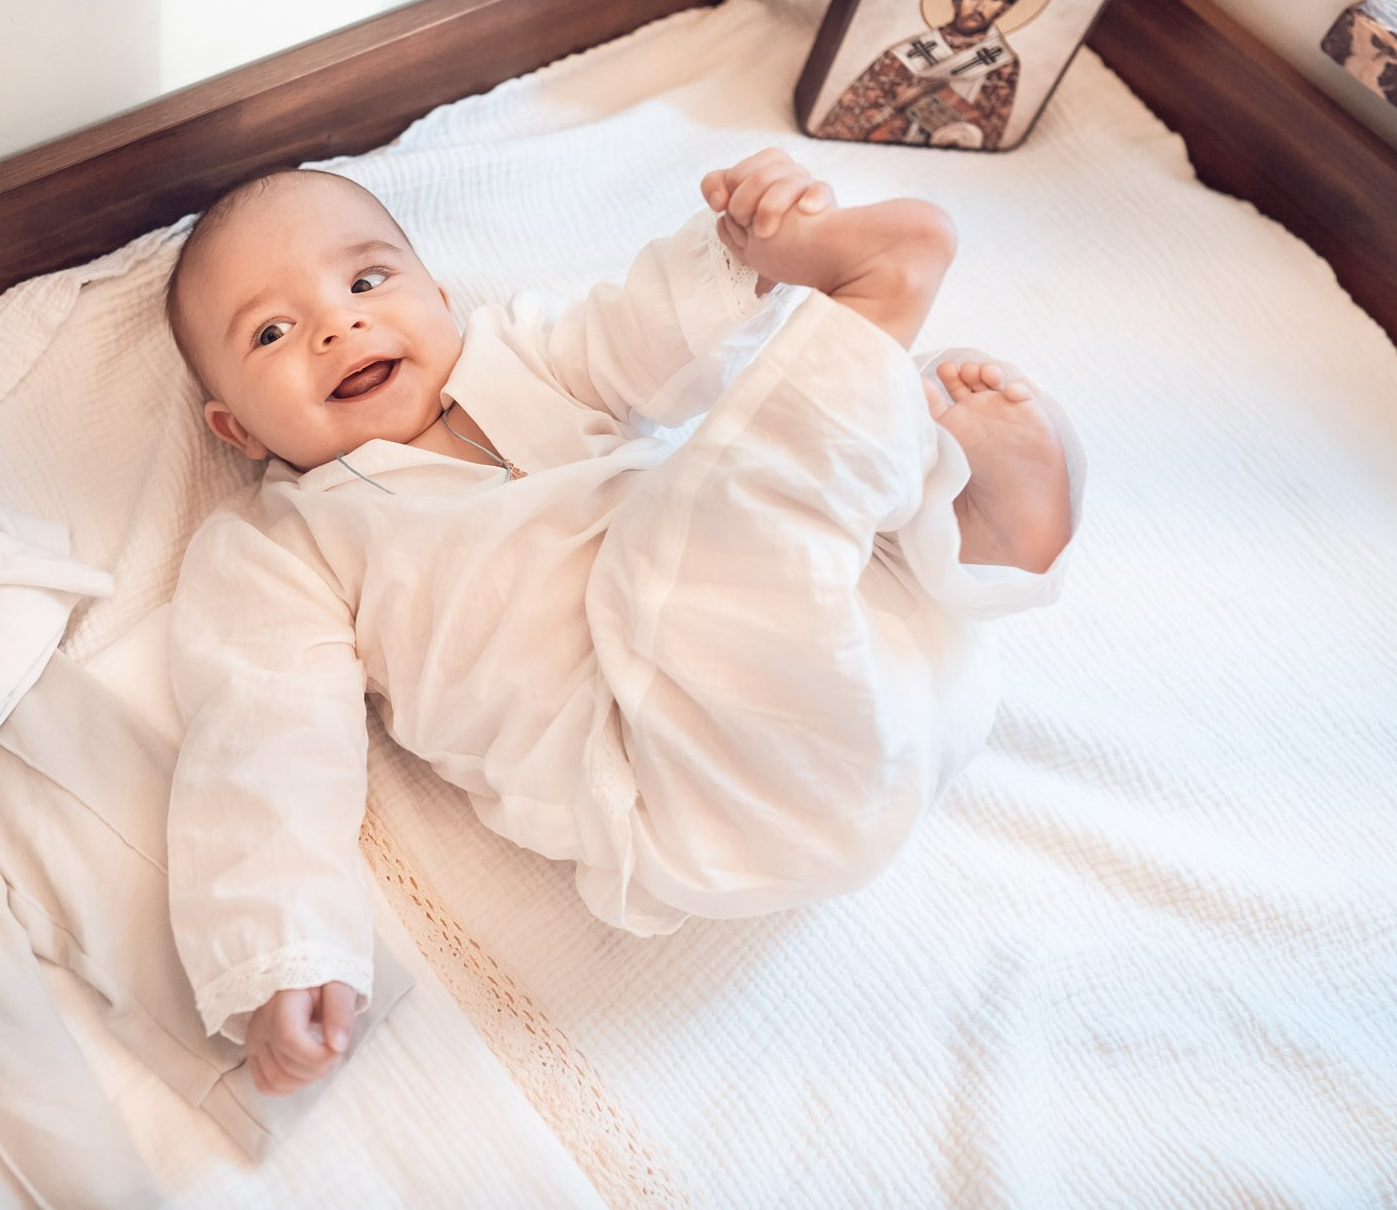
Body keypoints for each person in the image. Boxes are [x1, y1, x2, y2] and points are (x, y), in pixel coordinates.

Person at [161, 151, 1081, 1093]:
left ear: (439, 299)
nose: (337, 325)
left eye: (365, 281)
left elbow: (640, 333)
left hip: (892, 672)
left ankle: (976, 529)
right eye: (272, 331)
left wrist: (746, 254)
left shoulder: (521, 354)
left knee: (807, 484)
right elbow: (265, 742)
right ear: (237, 429)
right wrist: (285, 947)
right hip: (679, 768)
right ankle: (873, 330)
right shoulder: (286, 544)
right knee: (728, 517)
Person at [811, 0, 1026, 148]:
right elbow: (849, 116)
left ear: (1005, 8)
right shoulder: (907, 52)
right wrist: (897, 107)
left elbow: (990, 133)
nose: (981, 6)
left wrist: (929, 97)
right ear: (957, 0)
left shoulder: (1002, 64)